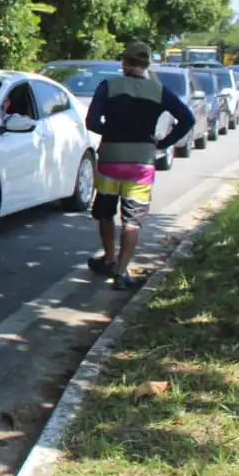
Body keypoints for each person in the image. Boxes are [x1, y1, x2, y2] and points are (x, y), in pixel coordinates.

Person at [85, 41, 195, 290]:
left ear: (124, 62)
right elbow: (187, 119)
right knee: (132, 220)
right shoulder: (158, 90)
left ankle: (109, 258)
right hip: (142, 161)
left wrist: (111, 132)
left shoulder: (108, 86)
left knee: (105, 210)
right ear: (147, 65)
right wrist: (162, 143)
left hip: (111, 156)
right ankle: (122, 273)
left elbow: (91, 122)